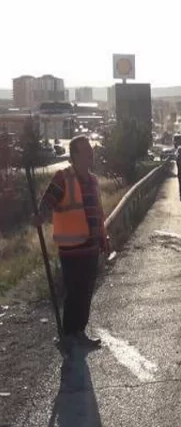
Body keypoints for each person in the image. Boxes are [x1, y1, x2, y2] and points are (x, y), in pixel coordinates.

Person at [32, 135, 110, 351]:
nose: (91, 154)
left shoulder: (93, 180)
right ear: (74, 155)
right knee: (74, 292)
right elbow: (48, 201)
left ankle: (79, 332)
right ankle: (68, 334)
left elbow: (98, 212)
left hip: (92, 247)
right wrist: (40, 215)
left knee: (86, 292)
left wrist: (103, 239)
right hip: (71, 249)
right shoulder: (62, 177)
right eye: (86, 151)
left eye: (91, 151)